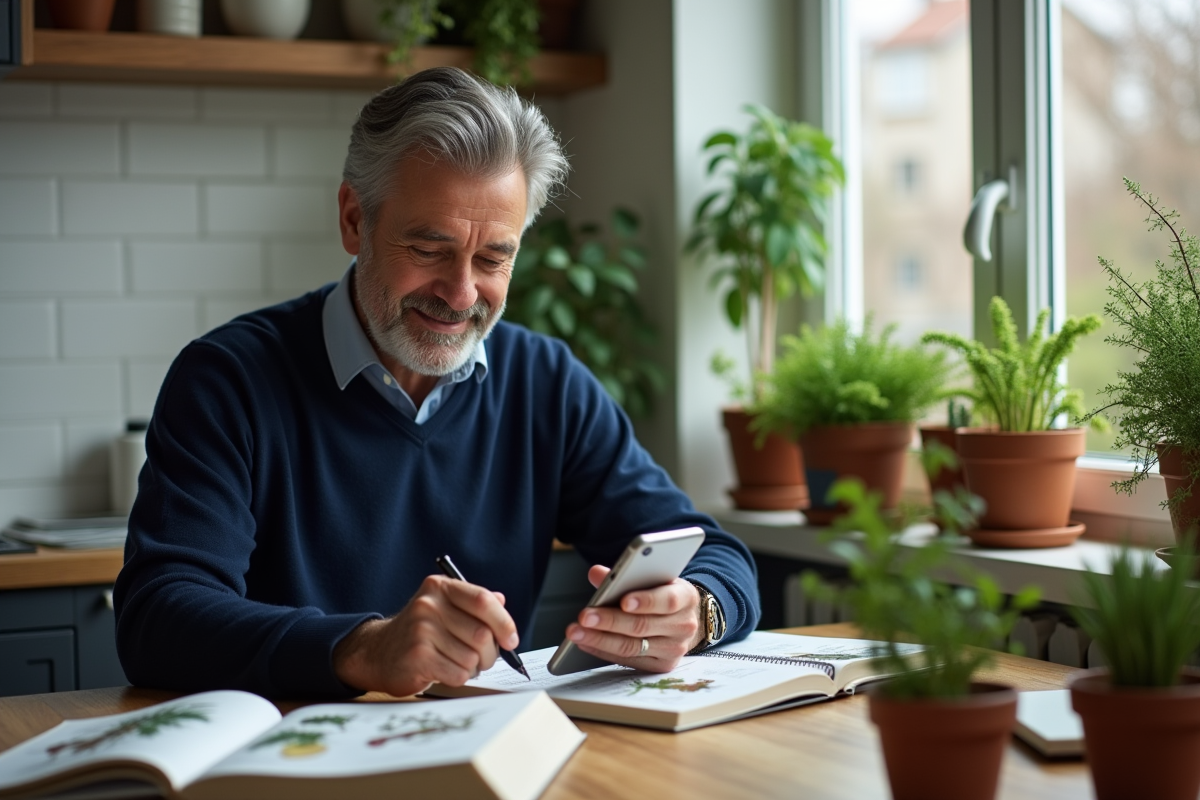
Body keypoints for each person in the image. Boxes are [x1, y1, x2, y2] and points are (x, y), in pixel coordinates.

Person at [113, 66, 760, 699]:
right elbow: (157, 618)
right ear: (354, 220)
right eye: (428, 250)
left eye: (493, 258)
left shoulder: (547, 383)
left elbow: (717, 555)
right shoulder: (227, 380)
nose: (461, 293)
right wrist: (364, 649)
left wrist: (695, 609)